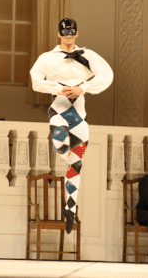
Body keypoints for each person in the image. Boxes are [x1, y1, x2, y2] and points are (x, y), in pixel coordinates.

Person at [30, 18, 113, 234]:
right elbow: (35, 80)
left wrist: (83, 88)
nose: (68, 35)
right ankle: (65, 155)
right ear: (59, 34)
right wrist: (57, 88)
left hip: (80, 117)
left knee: (76, 165)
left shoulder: (88, 55)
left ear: (76, 34)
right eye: (65, 32)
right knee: (61, 146)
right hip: (59, 110)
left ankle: (70, 209)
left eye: (72, 32)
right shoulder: (47, 58)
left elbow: (107, 76)